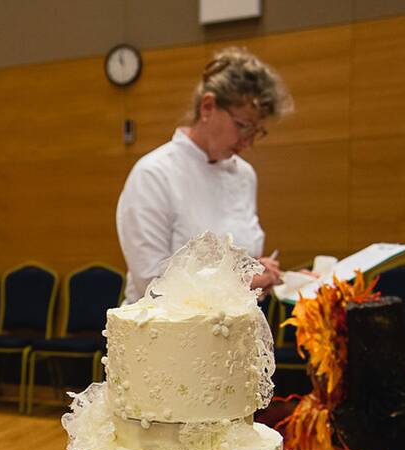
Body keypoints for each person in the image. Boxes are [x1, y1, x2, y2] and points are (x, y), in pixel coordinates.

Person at [116, 47, 290, 303]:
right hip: (164, 335)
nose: (248, 142)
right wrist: (241, 281)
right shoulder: (154, 174)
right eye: (243, 126)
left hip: (231, 333)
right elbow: (152, 283)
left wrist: (263, 271)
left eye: (257, 131)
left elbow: (236, 261)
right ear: (208, 107)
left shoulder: (244, 175)